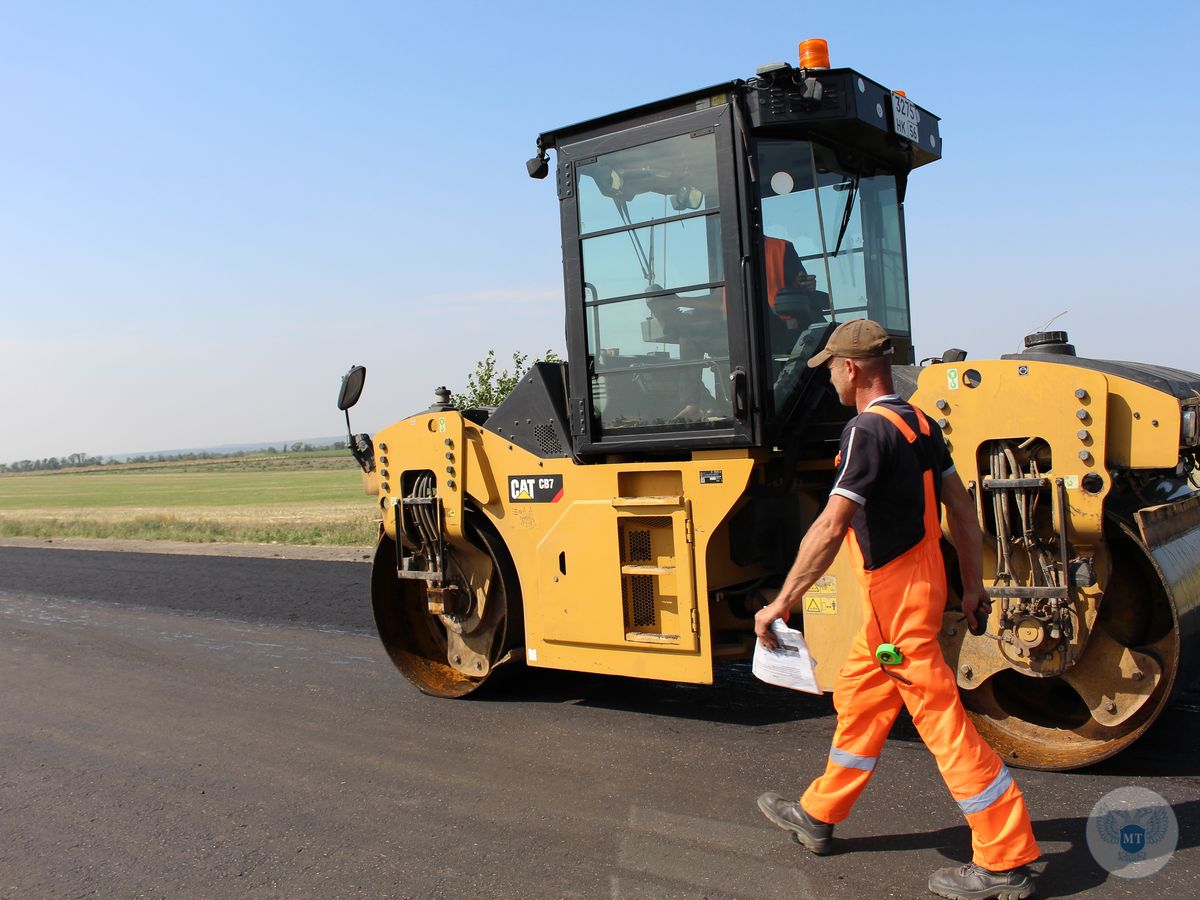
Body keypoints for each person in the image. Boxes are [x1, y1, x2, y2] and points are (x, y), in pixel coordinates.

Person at [753, 319, 1040, 900]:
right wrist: (970, 585)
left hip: (896, 610)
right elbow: (960, 509)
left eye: (830, 366)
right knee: (861, 697)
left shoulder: (865, 431)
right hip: (919, 591)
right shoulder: (920, 422)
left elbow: (831, 525)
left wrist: (781, 603)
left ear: (851, 369)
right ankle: (818, 813)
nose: (829, 377)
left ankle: (1005, 858)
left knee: (944, 724)